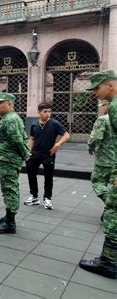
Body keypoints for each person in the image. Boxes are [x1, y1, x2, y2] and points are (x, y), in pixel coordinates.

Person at [80, 70, 117, 279]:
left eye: (97, 88)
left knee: (112, 212)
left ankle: (109, 263)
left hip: (107, 161)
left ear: (110, 85)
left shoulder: (115, 107)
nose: (95, 93)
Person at [0, 92, 30, 234]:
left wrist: (25, 154)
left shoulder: (10, 119)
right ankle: (8, 217)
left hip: (8, 159)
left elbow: (17, 140)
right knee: (9, 188)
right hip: (7, 159)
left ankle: (10, 223)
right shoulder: (9, 117)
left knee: (9, 189)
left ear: (10, 104)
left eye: (1, 103)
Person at [24, 103, 71, 210]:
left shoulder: (54, 123)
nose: (48, 114)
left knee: (48, 177)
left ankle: (47, 198)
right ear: (39, 112)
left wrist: (58, 144)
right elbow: (31, 138)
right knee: (31, 175)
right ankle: (34, 197)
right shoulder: (34, 124)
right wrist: (28, 152)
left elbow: (67, 135)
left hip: (48, 155)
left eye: (49, 111)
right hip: (34, 154)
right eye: (45, 112)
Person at [88, 100, 114, 221]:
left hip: (105, 160)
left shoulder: (104, 119)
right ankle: (108, 213)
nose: (102, 108)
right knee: (114, 186)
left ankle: (113, 204)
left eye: (103, 106)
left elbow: (95, 138)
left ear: (107, 105)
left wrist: (91, 147)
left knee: (97, 182)